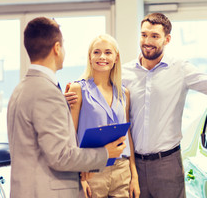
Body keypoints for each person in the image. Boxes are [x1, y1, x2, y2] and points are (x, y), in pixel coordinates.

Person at [66, 13, 207, 198]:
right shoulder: (125, 73)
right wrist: (69, 97)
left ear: (167, 39)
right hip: (132, 166)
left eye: (154, 36)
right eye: (143, 35)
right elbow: (97, 91)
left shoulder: (181, 69)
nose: (147, 41)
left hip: (167, 165)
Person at [7, 17, 126, 198]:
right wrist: (105, 153)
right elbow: (60, 156)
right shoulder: (47, 93)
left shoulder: (22, 88)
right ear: (57, 48)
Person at [66, 34, 140, 198]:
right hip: (91, 171)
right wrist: (79, 177)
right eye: (97, 52)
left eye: (108, 52)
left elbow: (128, 135)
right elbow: (71, 136)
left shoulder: (123, 93)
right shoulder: (78, 89)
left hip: (122, 170)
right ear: (90, 57)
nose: (102, 57)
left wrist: (134, 175)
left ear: (116, 57)